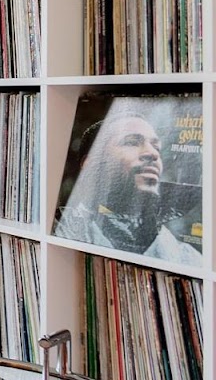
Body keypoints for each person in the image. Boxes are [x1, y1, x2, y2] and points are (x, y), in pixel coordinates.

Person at [55, 101, 201, 266]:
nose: (152, 153)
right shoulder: (58, 231)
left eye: (157, 147)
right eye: (131, 142)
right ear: (90, 165)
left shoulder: (189, 259)